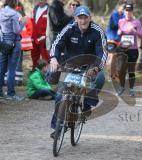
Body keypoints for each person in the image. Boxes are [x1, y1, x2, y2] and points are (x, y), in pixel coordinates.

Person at [49, 5, 107, 138]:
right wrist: (53, 58)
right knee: (59, 96)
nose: (83, 21)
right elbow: (56, 44)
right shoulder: (69, 28)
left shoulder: (97, 31)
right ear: (75, 18)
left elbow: (102, 52)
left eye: (85, 17)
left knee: (100, 78)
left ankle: (87, 105)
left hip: (90, 67)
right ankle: (58, 127)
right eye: (80, 18)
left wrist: (96, 68)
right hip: (70, 65)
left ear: (90, 18)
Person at [0, 0, 26, 100]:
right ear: (15, 2)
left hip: (4, 41)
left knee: (1, 68)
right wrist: (23, 22)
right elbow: (17, 30)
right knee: (12, 69)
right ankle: (11, 93)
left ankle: (0, 93)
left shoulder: (1, 11)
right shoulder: (15, 14)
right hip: (15, 42)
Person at [116, 2, 142, 97]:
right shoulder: (121, 21)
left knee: (131, 70)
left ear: (132, 12)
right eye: (126, 11)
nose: (128, 13)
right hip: (122, 48)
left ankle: (131, 89)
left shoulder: (136, 22)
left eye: (130, 11)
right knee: (120, 69)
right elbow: (118, 33)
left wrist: (134, 31)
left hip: (133, 49)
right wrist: (119, 32)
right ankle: (121, 87)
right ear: (124, 11)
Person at [31, 0, 49, 69]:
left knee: (46, 60)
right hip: (34, 39)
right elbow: (32, 22)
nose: (40, 1)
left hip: (44, 40)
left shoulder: (49, 10)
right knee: (34, 59)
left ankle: (47, 77)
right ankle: (34, 77)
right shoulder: (35, 9)